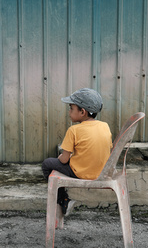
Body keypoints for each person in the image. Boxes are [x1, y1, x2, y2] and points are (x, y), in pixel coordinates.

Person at [42, 88, 112, 216]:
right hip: (102, 172)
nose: (69, 112)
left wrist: (61, 156)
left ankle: (63, 200)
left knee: (47, 163)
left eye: (71, 108)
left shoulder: (74, 130)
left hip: (80, 173)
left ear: (82, 112)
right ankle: (64, 200)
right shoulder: (105, 126)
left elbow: (64, 160)